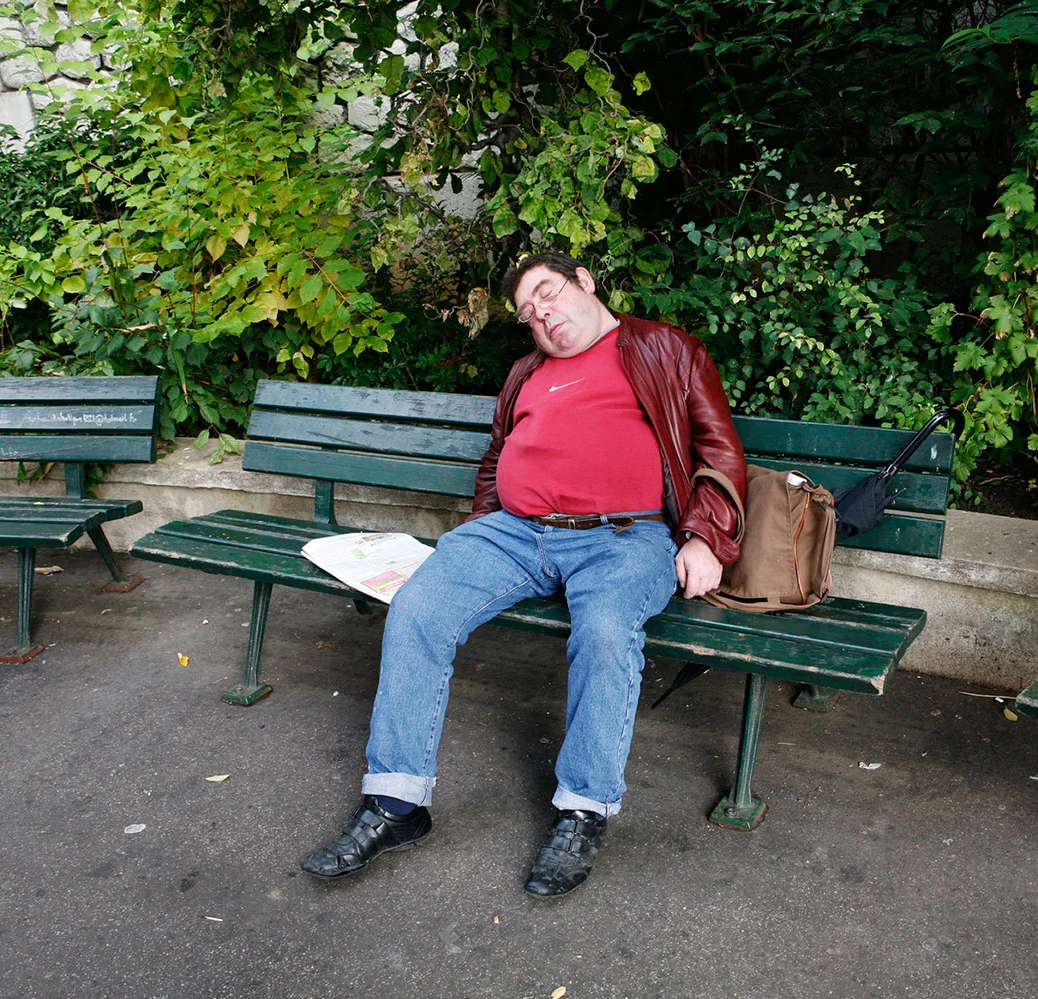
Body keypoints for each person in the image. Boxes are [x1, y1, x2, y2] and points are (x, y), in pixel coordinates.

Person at [301, 252, 747, 897]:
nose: (540, 313)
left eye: (547, 292)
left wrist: (706, 535)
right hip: (513, 533)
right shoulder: (526, 372)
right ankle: (397, 805)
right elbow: (497, 457)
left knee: (605, 631)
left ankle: (583, 811)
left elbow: (719, 447)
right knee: (419, 608)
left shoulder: (663, 348)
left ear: (584, 282)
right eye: (526, 311)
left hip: (625, 538)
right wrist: (483, 526)